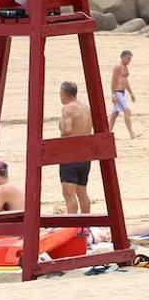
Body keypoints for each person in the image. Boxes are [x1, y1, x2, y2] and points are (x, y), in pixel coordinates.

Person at [59, 82, 93, 214]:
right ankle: (86, 224)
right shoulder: (85, 107)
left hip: (71, 153)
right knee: (82, 191)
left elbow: (68, 130)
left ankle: (72, 226)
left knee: (68, 193)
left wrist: (60, 141)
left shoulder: (68, 108)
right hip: (85, 154)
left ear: (64, 93)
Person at [109, 50, 139, 139]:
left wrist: (131, 93)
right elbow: (113, 81)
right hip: (117, 92)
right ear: (122, 57)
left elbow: (125, 82)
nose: (129, 60)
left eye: (130, 59)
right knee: (127, 110)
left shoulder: (125, 68)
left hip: (122, 92)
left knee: (115, 113)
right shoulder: (118, 67)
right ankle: (131, 133)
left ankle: (107, 131)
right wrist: (113, 94)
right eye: (128, 58)